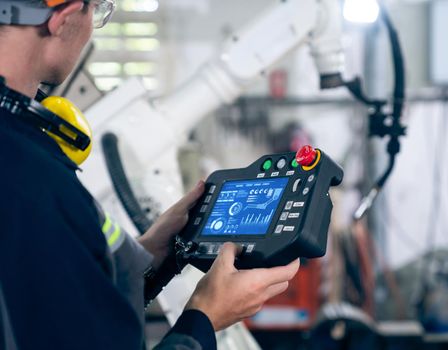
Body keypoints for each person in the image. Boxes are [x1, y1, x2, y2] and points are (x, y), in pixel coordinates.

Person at [0, 1, 300, 349]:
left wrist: (155, 256)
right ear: (63, 18)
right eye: (96, 11)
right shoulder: (34, 179)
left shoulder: (25, 159)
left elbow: (57, 298)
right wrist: (204, 318)